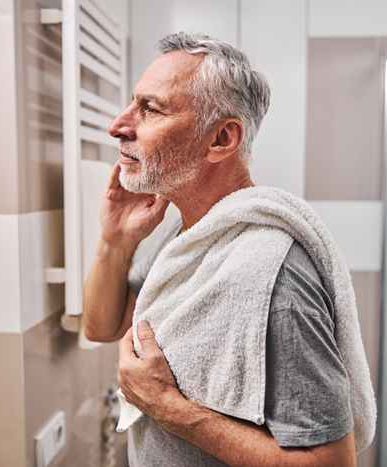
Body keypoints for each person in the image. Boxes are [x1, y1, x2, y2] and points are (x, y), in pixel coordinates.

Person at [82, 32, 357, 467]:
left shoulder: (271, 274)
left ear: (221, 140)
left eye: (150, 109)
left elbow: (333, 463)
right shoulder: (189, 238)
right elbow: (102, 325)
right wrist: (115, 240)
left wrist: (167, 407)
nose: (119, 125)